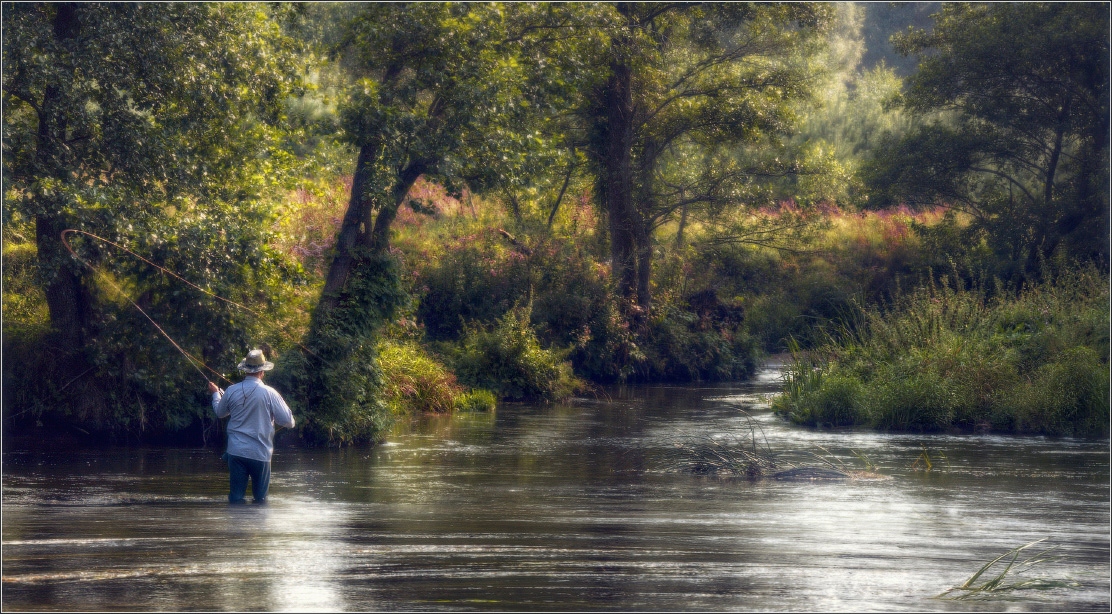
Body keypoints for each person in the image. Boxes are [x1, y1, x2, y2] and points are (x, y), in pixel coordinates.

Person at [207, 349, 295, 504]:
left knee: (235, 498)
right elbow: (289, 421)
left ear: (245, 370)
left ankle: (235, 526)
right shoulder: (270, 393)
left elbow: (220, 413)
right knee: (261, 500)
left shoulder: (231, 391)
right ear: (262, 371)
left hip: (236, 452)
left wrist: (215, 394)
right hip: (260, 453)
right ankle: (257, 526)